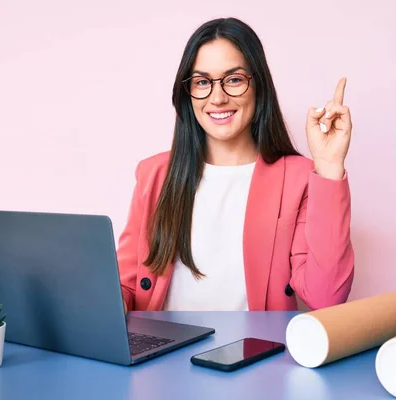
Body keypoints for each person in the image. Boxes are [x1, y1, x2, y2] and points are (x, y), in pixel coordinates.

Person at [117, 17, 354, 312]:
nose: (217, 98)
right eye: (202, 82)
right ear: (187, 93)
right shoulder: (154, 174)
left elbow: (326, 296)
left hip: (255, 354)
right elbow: (125, 285)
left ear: (258, 85)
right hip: (162, 353)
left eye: (234, 79)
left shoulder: (299, 177)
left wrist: (330, 166)